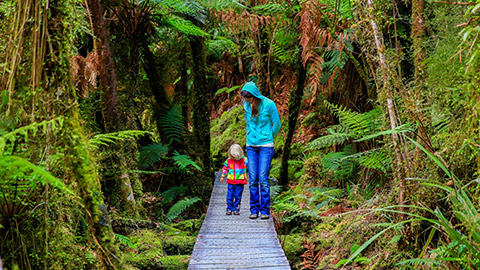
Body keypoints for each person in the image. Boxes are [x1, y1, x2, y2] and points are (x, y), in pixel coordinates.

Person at [240, 82, 281, 220]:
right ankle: (254, 210)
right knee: (252, 179)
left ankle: (264, 210)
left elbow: (277, 124)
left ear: (254, 96)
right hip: (251, 145)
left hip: (265, 146)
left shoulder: (269, 104)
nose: (247, 101)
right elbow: (248, 122)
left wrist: (268, 136)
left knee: (263, 178)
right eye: (246, 99)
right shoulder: (246, 105)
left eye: (249, 98)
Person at [220, 144, 248, 215]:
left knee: (238, 196)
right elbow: (225, 168)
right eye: (232, 156)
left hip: (240, 182)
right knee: (229, 196)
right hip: (231, 181)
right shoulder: (228, 161)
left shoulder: (244, 160)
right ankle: (229, 208)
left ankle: (236, 209)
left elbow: (250, 164)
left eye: (235, 156)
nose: (234, 158)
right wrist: (223, 176)